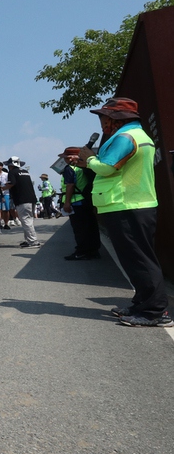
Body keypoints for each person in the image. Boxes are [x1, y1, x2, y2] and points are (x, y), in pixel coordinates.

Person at [76, 97, 170, 327]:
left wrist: (89, 159)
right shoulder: (134, 134)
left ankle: (154, 312)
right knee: (135, 259)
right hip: (131, 205)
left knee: (139, 260)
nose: (101, 122)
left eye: (103, 117)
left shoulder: (125, 137)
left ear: (115, 118)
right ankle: (141, 303)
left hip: (128, 206)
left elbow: (107, 168)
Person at [61, 154, 101, 260]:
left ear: (71, 158)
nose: (64, 160)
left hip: (76, 201)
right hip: (87, 200)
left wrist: (67, 202)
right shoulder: (85, 167)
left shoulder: (69, 168)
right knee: (91, 226)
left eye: (65, 157)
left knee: (79, 229)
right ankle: (94, 251)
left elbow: (70, 185)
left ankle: (82, 251)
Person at [3, 156, 39, 248]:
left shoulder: (12, 172)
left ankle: (33, 241)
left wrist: (1, 188)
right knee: (28, 220)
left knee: (26, 220)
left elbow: (11, 183)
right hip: (32, 198)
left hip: (22, 199)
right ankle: (28, 240)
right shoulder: (25, 172)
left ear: (11, 165)